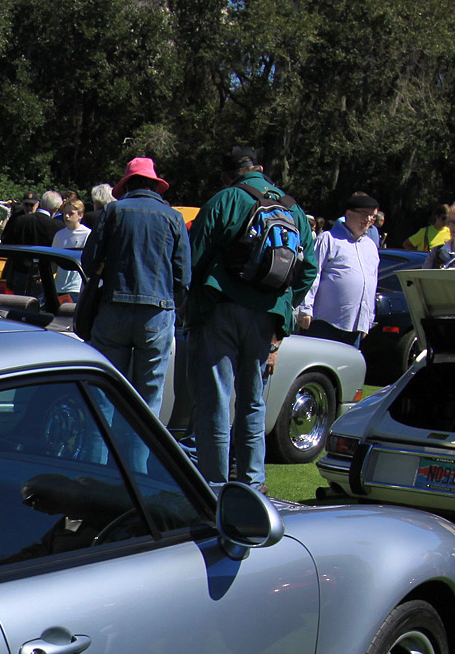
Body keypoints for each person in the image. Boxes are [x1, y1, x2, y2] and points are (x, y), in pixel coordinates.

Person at [185, 145, 316, 486]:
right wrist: (283, 306)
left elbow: (193, 258)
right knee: (252, 403)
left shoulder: (225, 200)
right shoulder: (293, 209)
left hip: (221, 311)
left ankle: (213, 486)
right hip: (266, 317)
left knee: (215, 400)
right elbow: (309, 269)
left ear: (228, 174)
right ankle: (252, 485)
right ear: (259, 167)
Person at [78, 156, 191, 418]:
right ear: (154, 185)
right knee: (148, 398)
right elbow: (183, 276)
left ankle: (102, 456)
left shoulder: (113, 212)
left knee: (105, 395)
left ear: (127, 185)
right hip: (157, 312)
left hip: (114, 308)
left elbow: (89, 261)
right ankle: (137, 458)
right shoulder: (174, 218)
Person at [295, 191, 381, 345]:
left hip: (355, 325)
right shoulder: (328, 239)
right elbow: (313, 274)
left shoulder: (371, 247)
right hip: (326, 322)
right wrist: (305, 309)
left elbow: (372, 282)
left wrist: (367, 320)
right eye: (364, 214)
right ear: (349, 213)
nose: (369, 220)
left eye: (372, 216)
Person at [52, 196, 89, 300]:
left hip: (76, 288)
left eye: (71, 213)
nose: (67, 216)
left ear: (80, 215)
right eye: (65, 213)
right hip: (59, 287)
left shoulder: (87, 234)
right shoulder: (59, 235)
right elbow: (53, 262)